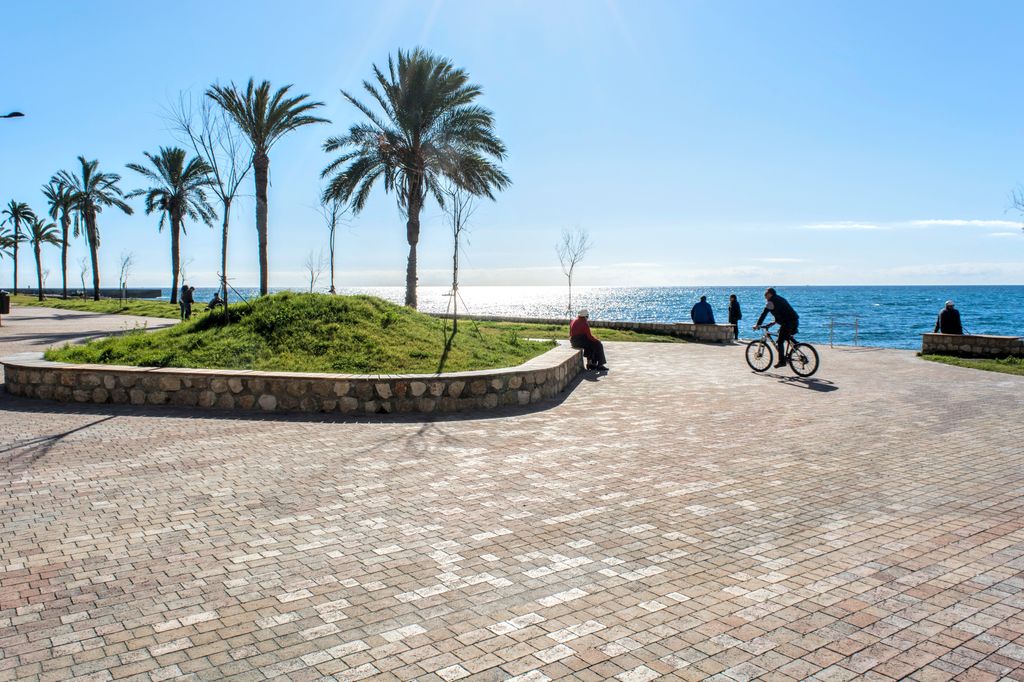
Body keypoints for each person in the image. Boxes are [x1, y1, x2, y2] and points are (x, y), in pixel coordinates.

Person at [754, 287, 799, 368]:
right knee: (783, 334)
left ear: (770, 294)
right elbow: (783, 312)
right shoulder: (780, 299)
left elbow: (763, 314)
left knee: (780, 341)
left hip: (787, 322)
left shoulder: (770, 302)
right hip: (794, 320)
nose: (765, 296)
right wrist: (774, 322)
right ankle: (796, 344)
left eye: (766, 294)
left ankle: (782, 361)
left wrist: (757, 324)